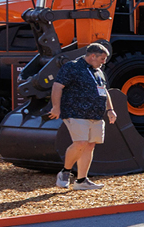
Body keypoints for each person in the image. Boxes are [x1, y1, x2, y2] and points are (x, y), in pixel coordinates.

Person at [48, 42, 118, 190]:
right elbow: (57, 86)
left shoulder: (99, 72)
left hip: (96, 115)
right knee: (80, 142)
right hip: (75, 112)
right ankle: (65, 172)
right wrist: (56, 107)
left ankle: (81, 180)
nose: (104, 62)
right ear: (93, 56)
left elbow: (104, 91)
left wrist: (110, 110)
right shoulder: (71, 67)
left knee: (90, 145)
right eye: (102, 58)